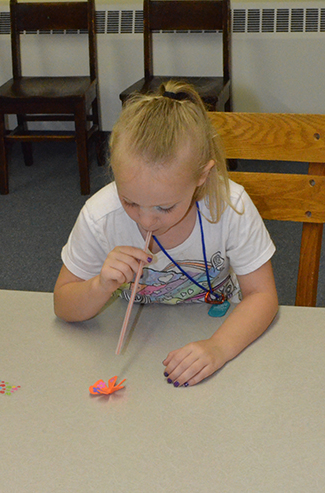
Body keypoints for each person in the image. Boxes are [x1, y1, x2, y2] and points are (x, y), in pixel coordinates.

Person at [54, 81, 278, 387]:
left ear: (201, 176)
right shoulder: (101, 216)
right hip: (139, 334)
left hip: (222, 327)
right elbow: (63, 305)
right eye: (130, 201)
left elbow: (262, 296)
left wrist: (219, 347)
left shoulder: (230, 206)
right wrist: (99, 285)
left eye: (165, 207)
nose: (146, 220)